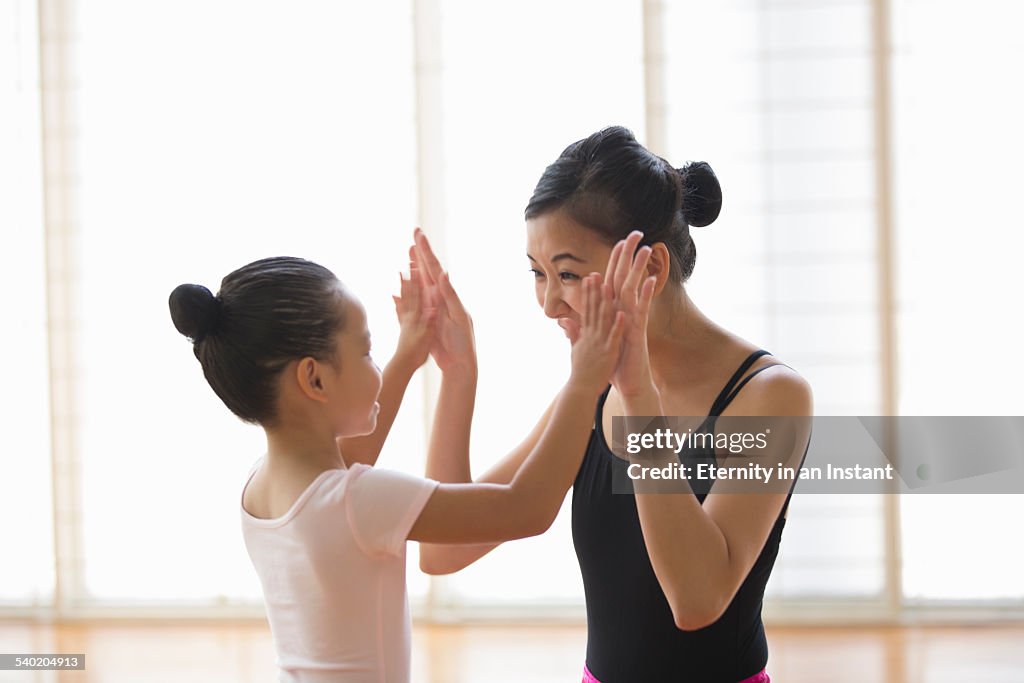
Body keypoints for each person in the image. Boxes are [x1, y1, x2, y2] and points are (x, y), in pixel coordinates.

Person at [415, 126, 813, 683]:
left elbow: (698, 600)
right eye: (538, 273)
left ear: (650, 269)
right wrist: (458, 377)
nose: (549, 303)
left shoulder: (772, 395)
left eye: (569, 274)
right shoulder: (591, 392)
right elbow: (442, 551)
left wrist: (637, 392)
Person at [167, 251, 635, 683]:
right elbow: (524, 508)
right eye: (367, 351)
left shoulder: (264, 484)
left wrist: (415, 355)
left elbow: (348, 459)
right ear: (313, 377)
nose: (378, 363)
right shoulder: (357, 501)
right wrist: (584, 379)